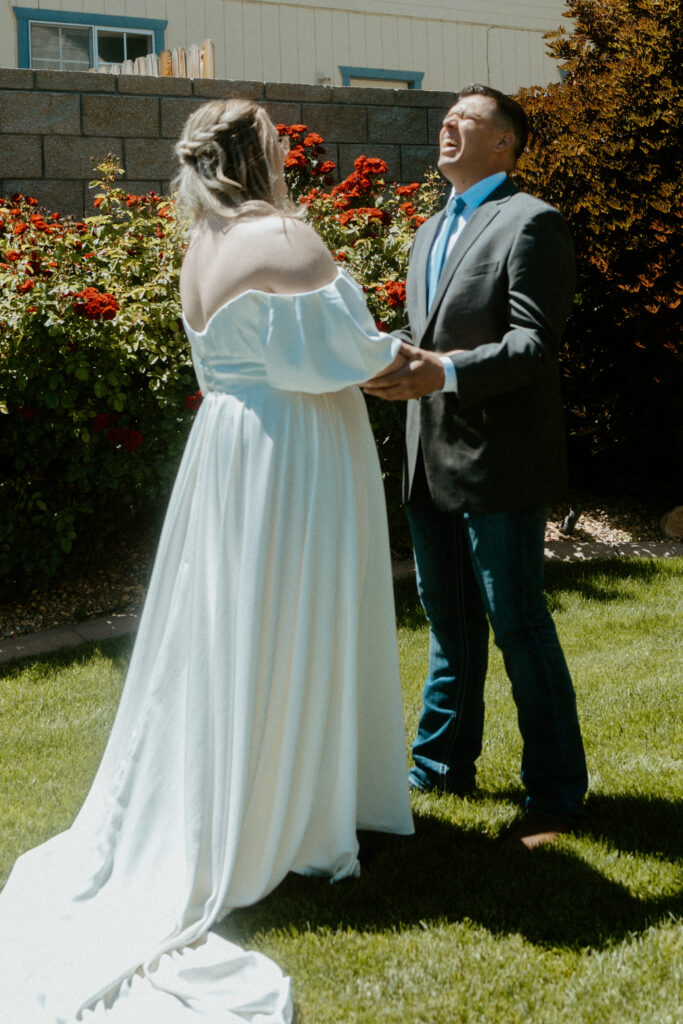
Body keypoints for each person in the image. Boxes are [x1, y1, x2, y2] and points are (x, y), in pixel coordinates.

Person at [0, 99, 413, 1023]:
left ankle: (255, 786)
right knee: (292, 616)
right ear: (262, 152)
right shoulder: (283, 237)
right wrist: (414, 361)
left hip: (229, 452)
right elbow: (341, 356)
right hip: (291, 454)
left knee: (234, 629)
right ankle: (292, 815)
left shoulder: (202, 246)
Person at [364, 84, 588, 849]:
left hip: (499, 461)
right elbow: (425, 332)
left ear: (505, 144)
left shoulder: (532, 223)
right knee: (449, 628)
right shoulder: (428, 230)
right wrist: (379, 357)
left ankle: (555, 794)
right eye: (446, 118)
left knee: (517, 624)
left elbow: (532, 345)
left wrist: (445, 372)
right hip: (427, 459)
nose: (448, 125)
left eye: (468, 119)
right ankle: (438, 768)